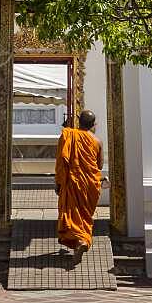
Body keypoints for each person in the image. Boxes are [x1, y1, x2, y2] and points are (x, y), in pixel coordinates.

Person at [54, 109, 109, 264]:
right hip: (89, 185)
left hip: (72, 182)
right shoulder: (97, 141)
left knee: (71, 214)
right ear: (93, 125)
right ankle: (82, 241)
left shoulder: (67, 136)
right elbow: (98, 165)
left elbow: (61, 162)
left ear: (80, 122)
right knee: (84, 216)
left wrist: (58, 182)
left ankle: (81, 242)